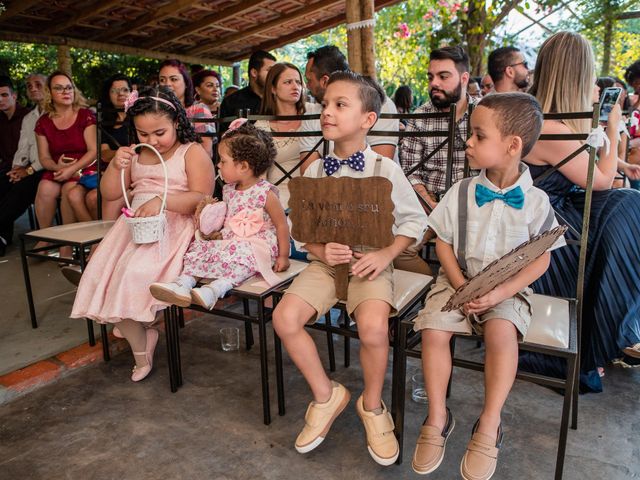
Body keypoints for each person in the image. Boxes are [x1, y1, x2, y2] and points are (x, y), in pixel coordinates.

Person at [272, 71, 428, 466]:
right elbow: (297, 228)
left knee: (375, 328)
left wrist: (386, 255)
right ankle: (327, 395)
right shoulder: (312, 170)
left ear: (367, 120)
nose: (327, 112)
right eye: (325, 104)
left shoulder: (384, 169)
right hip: (327, 265)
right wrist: (319, 250)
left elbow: (415, 223)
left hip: (370, 263)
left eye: (340, 105)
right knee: (285, 318)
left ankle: (372, 406)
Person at [411, 92, 563, 480]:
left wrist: (497, 294)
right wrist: (461, 284)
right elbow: (441, 239)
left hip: (507, 288)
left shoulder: (536, 201)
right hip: (457, 277)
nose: (468, 143)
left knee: (501, 332)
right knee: (432, 331)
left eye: (478, 136)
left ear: (512, 146)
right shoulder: (462, 190)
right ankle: (438, 416)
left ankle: (489, 422)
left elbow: (542, 257)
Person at [70, 86, 214, 382]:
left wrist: (162, 200)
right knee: (102, 274)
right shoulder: (135, 154)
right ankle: (137, 334)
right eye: (143, 134)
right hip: (134, 227)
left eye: (159, 133)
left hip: (174, 227)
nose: (152, 141)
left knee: (131, 275)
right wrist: (115, 168)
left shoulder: (191, 152)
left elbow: (202, 198)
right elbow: (110, 194)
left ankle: (135, 322)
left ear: (177, 122)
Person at [522, 31, 640, 390]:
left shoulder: (540, 116)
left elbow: (596, 169)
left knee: (626, 207)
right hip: (543, 231)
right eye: (589, 76)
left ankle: (618, 326)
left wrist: (609, 145)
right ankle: (608, 332)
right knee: (627, 205)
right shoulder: (550, 128)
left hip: (555, 213)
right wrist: (613, 122)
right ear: (576, 76)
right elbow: (602, 179)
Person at [149, 122, 290, 309]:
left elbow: (282, 225)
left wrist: (283, 256)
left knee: (240, 256)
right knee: (202, 248)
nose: (218, 164)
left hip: (257, 244)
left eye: (223, 161)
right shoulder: (229, 189)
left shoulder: (265, 192)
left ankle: (214, 290)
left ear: (243, 167)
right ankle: (183, 283)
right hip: (231, 241)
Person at [398, 46, 477, 275]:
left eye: (443, 76)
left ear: (464, 78)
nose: (435, 83)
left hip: (474, 206)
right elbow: (410, 173)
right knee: (399, 249)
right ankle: (434, 290)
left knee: (481, 254)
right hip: (429, 206)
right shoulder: (419, 118)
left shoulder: (484, 113)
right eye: (431, 77)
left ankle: (466, 292)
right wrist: (433, 206)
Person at [299, 45, 400, 165]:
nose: (307, 86)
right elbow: (308, 172)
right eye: (326, 105)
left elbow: (380, 166)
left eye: (309, 80)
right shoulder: (312, 112)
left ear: (325, 81)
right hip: (325, 181)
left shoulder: (378, 102)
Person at [33, 71, 97, 256]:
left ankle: (66, 245)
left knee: (68, 189)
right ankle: (46, 237)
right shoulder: (43, 122)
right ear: (49, 93)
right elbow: (44, 158)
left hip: (85, 165)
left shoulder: (85, 115)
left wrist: (72, 169)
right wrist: (58, 167)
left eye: (69, 87)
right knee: (45, 187)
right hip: (58, 167)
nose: (65, 91)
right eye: (58, 88)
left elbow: (93, 151)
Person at [255, 62, 307, 209]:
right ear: (273, 88)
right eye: (288, 82)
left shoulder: (313, 116)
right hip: (276, 197)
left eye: (298, 82)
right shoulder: (261, 126)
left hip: (310, 194)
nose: (295, 86)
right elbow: (259, 176)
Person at [0, 75, 37, 255]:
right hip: (10, 168)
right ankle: (2, 237)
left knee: (17, 190)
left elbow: (30, 151)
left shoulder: (28, 116)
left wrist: (23, 170)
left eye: (4, 95)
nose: (0, 100)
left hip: (32, 168)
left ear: (14, 96)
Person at [159, 59, 214, 156]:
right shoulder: (156, 111)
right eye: (162, 80)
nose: (167, 84)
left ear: (186, 83)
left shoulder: (198, 109)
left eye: (173, 79)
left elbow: (206, 151)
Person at [219, 50, 276, 133]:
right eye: (269, 70)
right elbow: (223, 134)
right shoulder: (231, 101)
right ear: (254, 72)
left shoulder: (278, 99)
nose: (273, 75)